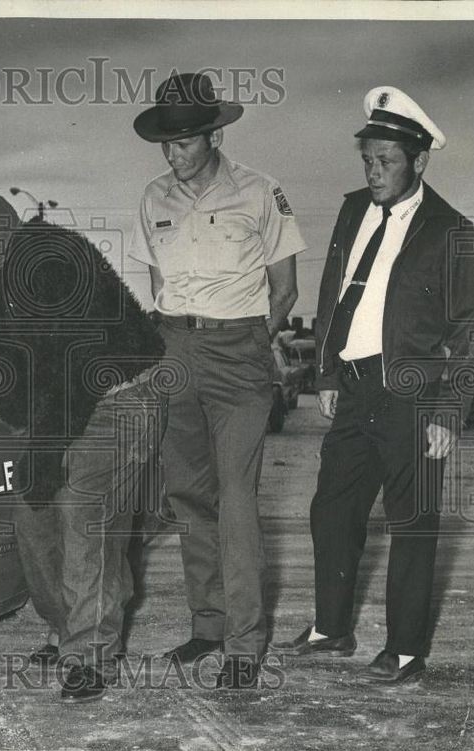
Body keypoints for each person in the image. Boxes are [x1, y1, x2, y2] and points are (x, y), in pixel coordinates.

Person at [0, 172, 165, 702]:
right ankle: (68, 626)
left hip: (117, 395)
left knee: (83, 512)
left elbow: (75, 365)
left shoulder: (50, 256)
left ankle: (90, 652)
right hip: (59, 404)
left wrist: (45, 455)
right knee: (31, 517)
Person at [272, 87, 474, 683]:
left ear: (419, 160)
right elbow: (334, 295)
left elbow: (466, 329)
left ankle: (407, 650)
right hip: (355, 388)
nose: (374, 172)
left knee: (412, 520)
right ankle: (331, 628)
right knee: (332, 510)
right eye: (368, 159)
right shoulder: (350, 210)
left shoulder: (451, 230)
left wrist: (447, 412)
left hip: (415, 398)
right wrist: (329, 372)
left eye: (386, 161)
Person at [127, 71, 306, 688]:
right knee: (188, 494)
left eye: (181, 141)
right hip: (175, 348)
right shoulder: (154, 198)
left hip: (239, 352)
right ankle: (207, 625)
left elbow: (285, 289)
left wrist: (254, 343)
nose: (171, 153)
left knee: (236, 496)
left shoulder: (261, 192)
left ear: (210, 134)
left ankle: (244, 642)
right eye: (165, 142)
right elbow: (156, 283)